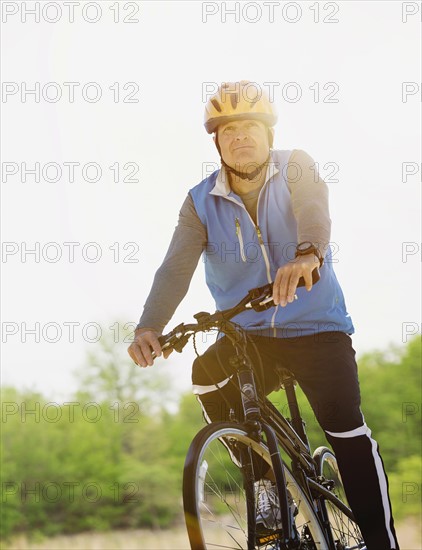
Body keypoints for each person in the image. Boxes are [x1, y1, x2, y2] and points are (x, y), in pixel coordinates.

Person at [128, 81, 399, 550]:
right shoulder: (199, 201)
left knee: (347, 431)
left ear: (268, 133)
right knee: (206, 373)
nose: (241, 137)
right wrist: (150, 325)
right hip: (248, 335)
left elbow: (314, 211)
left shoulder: (297, 166)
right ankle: (267, 483)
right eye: (228, 130)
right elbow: (176, 267)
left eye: (250, 126)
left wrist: (308, 255)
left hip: (318, 328)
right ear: (216, 141)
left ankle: (382, 542)